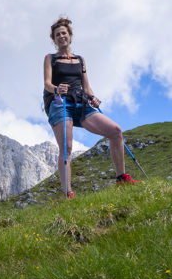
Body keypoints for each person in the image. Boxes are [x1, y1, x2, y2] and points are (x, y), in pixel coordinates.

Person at [43, 16, 140, 198]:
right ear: (54, 40)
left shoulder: (80, 60)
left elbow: (86, 86)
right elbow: (47, 84)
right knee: (67, 147)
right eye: (57, 35)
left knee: (115, 131)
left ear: (70, 36)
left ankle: (122, 179)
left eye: (64, 33)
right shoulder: (50, 59)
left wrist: (92, 97)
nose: (61, 37)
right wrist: (57, 88)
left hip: (81, 103)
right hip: (60, 104)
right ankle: (68, 193)